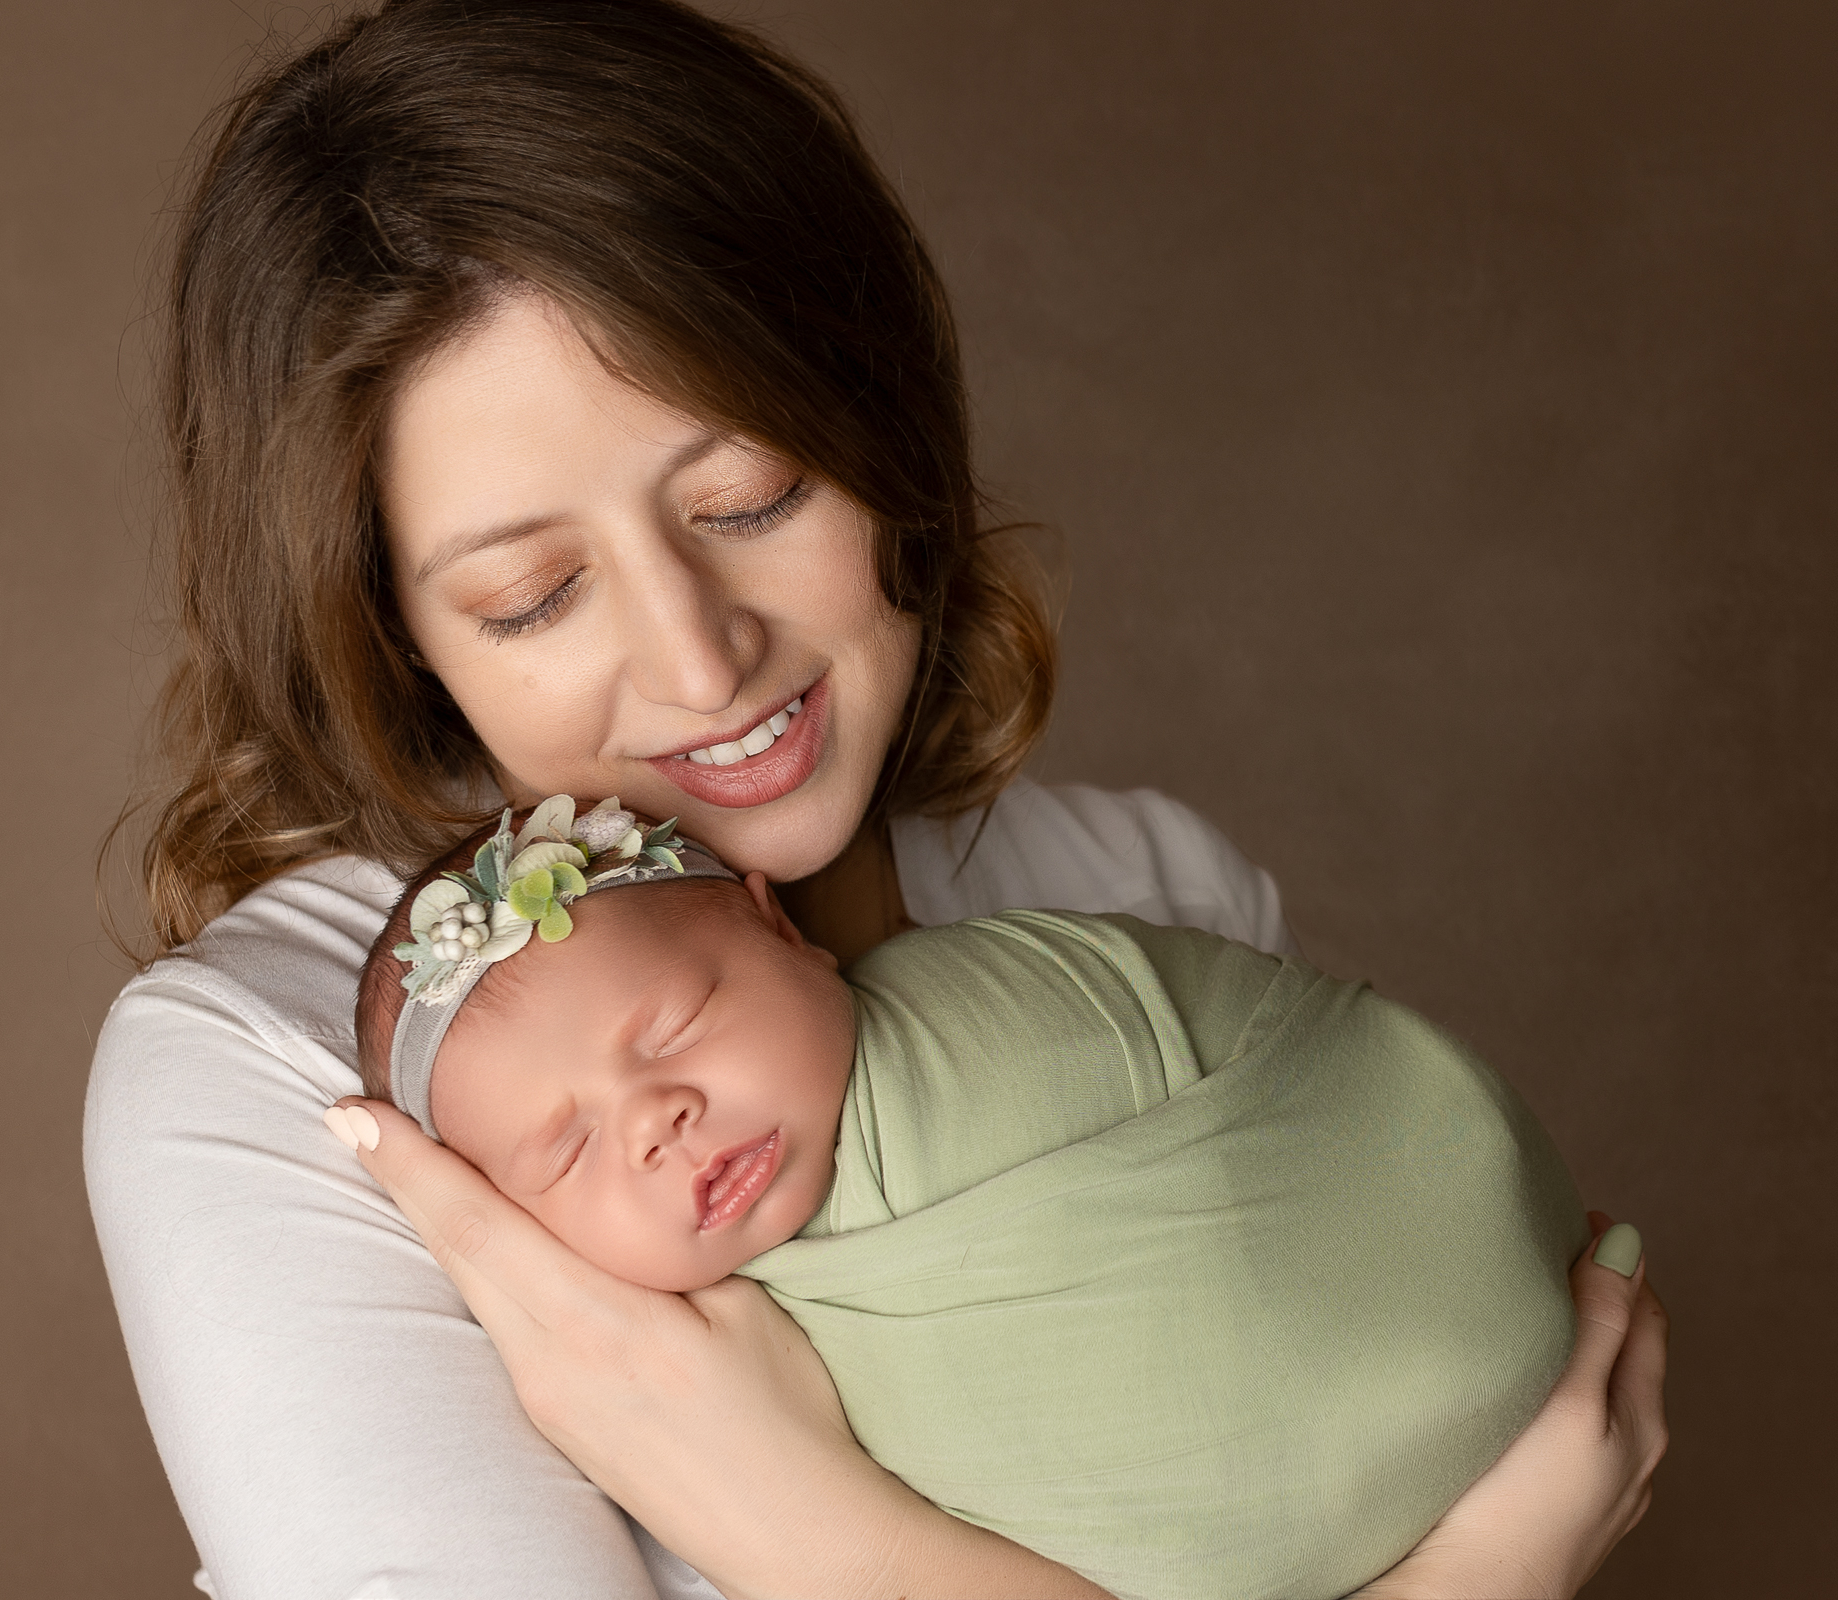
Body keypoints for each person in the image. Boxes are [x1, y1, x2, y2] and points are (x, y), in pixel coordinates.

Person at [85, 3, 1667, 1597]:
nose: (702, 662)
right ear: (398, 637)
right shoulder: (279, 1082)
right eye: (531, 595)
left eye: (750, 495)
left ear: (882, 423)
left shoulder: (1148, 891)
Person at [338, 795, 1588, 1599]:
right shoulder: (658, 1362)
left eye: (677, 1024)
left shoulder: (997, 992)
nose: (654, 1124)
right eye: (566, 1154)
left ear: (785, 934)